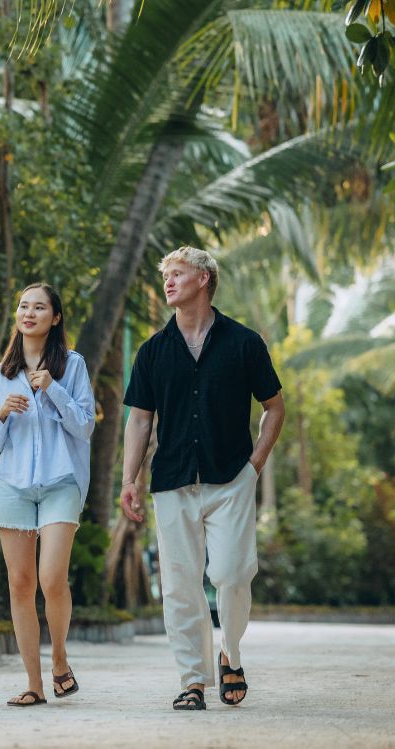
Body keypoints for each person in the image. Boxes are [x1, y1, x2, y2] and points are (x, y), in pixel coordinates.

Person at [119, 247, 285, 711]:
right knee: (179, 585)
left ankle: (230, 652)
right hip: (172, 480)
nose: (169, 282)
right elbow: (140, 420)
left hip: (230, 478)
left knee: (232, 574)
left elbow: (274, 408)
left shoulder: (244, 343)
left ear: (205, 279)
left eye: (178, 273)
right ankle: (192, 680)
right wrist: (129, 479)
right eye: (166, 275)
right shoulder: (153, 351)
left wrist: (254, 466)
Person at [0, 283, 95, 707]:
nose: (29, 313)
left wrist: (52, 389)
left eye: (40, 307)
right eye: (24, 306)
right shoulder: (1, 374)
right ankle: (34, 683)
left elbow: (85, 426)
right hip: (13, 484)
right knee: (20, 583)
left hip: (61, 481)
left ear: (55, 317)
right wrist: (2, 413)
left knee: (51, 578)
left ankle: (59, 657)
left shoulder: (73, 365)